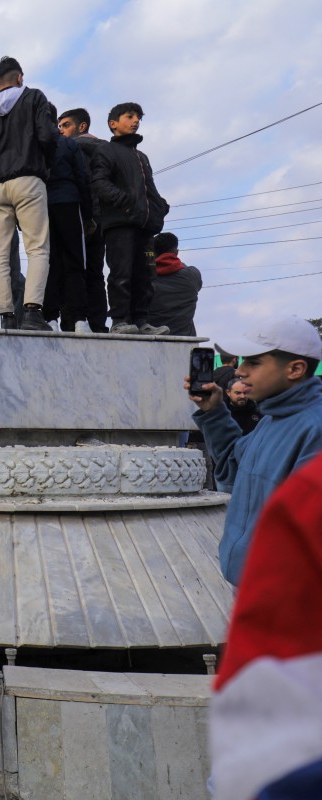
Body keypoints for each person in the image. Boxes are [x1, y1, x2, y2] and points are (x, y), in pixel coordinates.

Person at [210, 452, 322, 800]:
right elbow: (230, 467)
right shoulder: (268, 427)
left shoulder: (309, 492)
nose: (236, 391)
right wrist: (214, 419)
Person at [186, 314, 322, 585]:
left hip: (283, 598)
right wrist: (213, 412)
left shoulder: (314, 430)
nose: (240, 370)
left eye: (254, 362)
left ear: (295, 369)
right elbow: (231, 468)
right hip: (254, 588)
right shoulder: (272, 419)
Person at [0, 56, 57, 331]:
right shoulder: (33, 98)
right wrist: (46, 166)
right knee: (37, 248)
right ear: (19, 77)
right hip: (28, 179)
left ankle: (6, 316)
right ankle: (32, 312)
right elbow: (47, 137)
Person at [90, 102, 171, 335]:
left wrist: (161, 207)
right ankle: (119, 321)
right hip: (120, 224)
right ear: (113, 123)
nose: (135, 121)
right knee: (121, 274)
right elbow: (98, 182)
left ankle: (142, 321)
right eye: (129, 116)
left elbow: (151, 189)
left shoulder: (142, 156)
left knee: (145, 275)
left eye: (138, 118)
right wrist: (124, 201)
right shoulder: (106, 150)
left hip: (145, 226)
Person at [41, 106, 95, 332]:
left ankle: (50, 318)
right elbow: (83, 179)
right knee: (75, 262)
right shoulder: (69, 144)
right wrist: (88, 214)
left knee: (47, 261)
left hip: (41, 205)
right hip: (69, 204)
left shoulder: (35, 144)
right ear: (55, 121)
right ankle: (80, 319)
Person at [57, 107, 110, 332]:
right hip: (102, 220)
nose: (60, 130)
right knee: (96, 274)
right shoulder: (108, 150)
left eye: (65, 125)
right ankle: (98, 324)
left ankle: (71, 322)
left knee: (70, 270)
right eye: (58, 126)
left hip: (76, 217)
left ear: (82, 126)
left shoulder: (69, 150)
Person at [147, 232, 202, 336]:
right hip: (185, 341)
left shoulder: (143, 280)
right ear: (176, 252)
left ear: (153, 252)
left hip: (149, 341)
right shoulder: (192, 276)